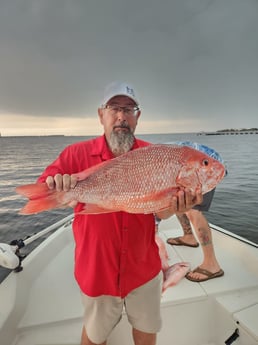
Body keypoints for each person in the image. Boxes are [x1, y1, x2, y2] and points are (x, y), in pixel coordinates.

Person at [37, 81, 202, 345]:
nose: (121, 116)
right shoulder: (75, 154)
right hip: (97, 271)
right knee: (94, 337)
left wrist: (174, 207)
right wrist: (55, 184)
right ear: (101, 114)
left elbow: (160, 213)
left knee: (147, 333)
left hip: (143, 270)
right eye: (114, 108)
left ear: (138, 117)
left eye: (129, 109)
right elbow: (44, 184)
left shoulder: (154, 155)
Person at [167, 142, 226, 282]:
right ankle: (189, 237)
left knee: (194, 211)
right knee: (178, 200)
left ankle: (212, 265)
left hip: (206, 166)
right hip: (188, 166)